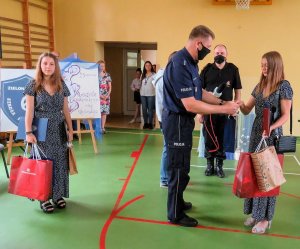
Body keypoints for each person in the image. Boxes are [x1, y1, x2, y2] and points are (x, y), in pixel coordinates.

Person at [162, 25, 239, 227]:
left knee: (183, 167)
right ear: (198, 43)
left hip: (184, 122)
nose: (209, 51)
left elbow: (201, 93)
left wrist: (224, 103)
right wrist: (224, 110)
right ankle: (175, 214)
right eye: (208, 46)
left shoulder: (191, 63)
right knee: (178, 168)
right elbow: (191, 103)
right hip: (176, 121)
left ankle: (178, 201)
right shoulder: (179, 63)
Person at [238, 51, 293, 234]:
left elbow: (285, 115)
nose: (263, 68)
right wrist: (239, 105)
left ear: (275, 66)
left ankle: (265, 218)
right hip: (256, 134)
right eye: (262, 64)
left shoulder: (284, 86)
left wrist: (271, 127)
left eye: (267, 65)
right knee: (255, 173)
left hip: (271, 136)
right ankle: (256, 212)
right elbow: (247, 109)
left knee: (268, 178)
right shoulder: (259, 85)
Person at [24, 52, 73, 213]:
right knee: (43, 165)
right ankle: (43, 197)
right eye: (45, 63)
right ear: (40, 65)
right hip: (41, 131)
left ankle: (57, 195)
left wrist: (71, 129)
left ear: (55, 66)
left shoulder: (61, 84)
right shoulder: (33, 85)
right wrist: (28, 132)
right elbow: (29, 112)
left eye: (51, 64)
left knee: (59, 163)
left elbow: (66, 109)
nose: (48, 67)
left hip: (59, 129)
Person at [201, 44, 242, 178]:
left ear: (226, 55)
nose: (220, 54)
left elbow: (238, 91)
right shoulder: (206, 69)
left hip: (226, 112)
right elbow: (198, 92)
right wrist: (200, 112)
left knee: (222, 138)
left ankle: (219, 166)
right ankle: (209, 165)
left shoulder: (233, 69)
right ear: (213, 54)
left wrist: (235, 108)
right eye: (217, 52)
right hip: (208, 111)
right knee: (209, 138)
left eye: (222, 53)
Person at [152, 52, 177, 188]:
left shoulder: (166, 76)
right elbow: (163, 103)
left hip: (166, 118)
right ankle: (164, 178)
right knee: (167, 148)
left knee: (170, 148)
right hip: (166, 119)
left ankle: (168, 176)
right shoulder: (163, 80)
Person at [140, 61, 156, 129]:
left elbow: (156, 84)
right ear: (144, 67)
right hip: (143, 94)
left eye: (149, 65)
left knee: (150, 109)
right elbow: (141, 84)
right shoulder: (142, 75)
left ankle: (150, 123)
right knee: (144, 109)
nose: (148, 66)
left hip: (151, 94)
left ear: (151, 66)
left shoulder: (154, 74)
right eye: (146, 65)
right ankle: (145, 123)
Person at [98, 60, 112, 134]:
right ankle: (98, 127)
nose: (102, 67)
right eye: (100, 66)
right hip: (98, 97)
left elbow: (110, 87)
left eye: (103, 66)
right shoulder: (95, 76)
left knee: (104, 113)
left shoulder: (107, 75)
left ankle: (103, 127)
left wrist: (107, 95)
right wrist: (99, 95)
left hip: (106, 97)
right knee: (99, 113)